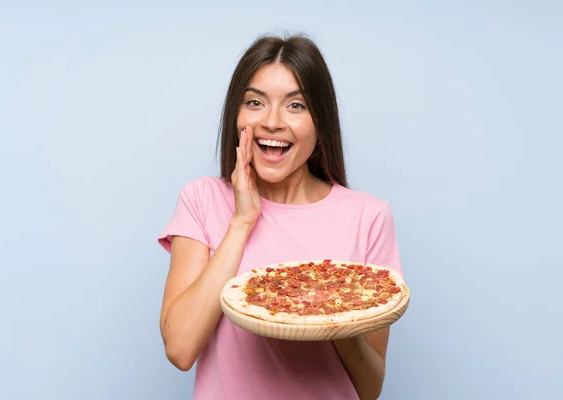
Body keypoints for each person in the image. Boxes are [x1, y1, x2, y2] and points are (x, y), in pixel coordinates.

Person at [157, 33, 403, 400]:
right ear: (237, 117)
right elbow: (179, 348)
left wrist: (334, 308)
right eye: (255, 102)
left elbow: (369, 388)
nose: (272, 122)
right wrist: (241, 223)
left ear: (321, 123)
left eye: (296, 106)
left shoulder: (368, 216)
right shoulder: (202, 200)